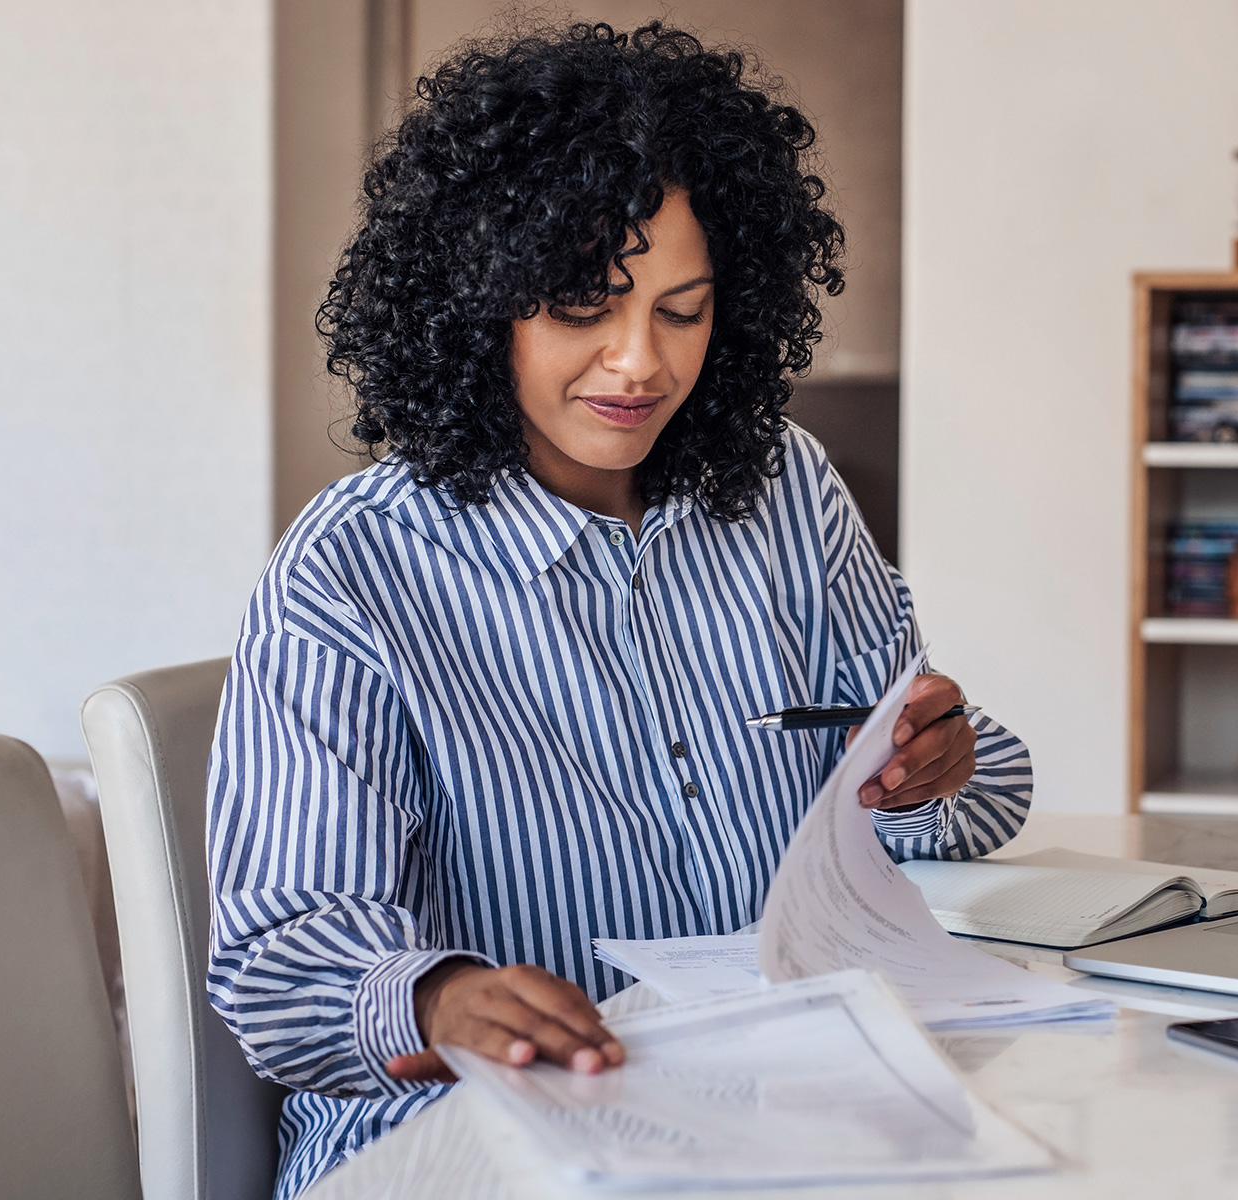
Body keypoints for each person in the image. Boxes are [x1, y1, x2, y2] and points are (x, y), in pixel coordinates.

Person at [205, 22, 1031, 1196]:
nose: (637, 363)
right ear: (478, 301)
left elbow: (926, 819)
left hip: (779, 1117)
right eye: (583, 307)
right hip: (470, 1146)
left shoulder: (788, 491)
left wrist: (936, 771)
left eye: (681, 312)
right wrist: (438, 998)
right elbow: (281, 961)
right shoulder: (355, 570)